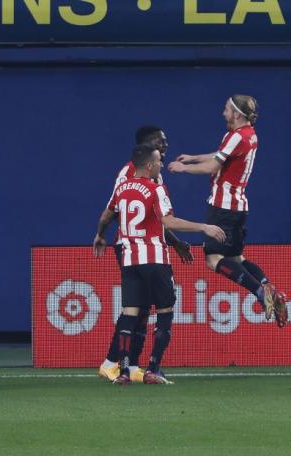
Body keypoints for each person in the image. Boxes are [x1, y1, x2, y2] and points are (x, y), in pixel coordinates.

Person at [94, 144, 225, 385]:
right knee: (164, 312)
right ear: (148, 165)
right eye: (158, 161)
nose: (161, 165)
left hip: (130, 260)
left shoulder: (121, 188)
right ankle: (153, 368)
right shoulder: (156, 189)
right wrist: (203, 227)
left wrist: (100, 235)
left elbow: (106, 215)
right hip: (155, 258)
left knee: (130, 313)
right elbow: (169, 221)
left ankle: (123, 372)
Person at [167, 94, 288, 327]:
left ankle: (261, 293)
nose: (224, 113)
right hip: (238, 207)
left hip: (223, 208)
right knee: (236, 258)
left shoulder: (236, 136)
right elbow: (221, 155)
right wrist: (193, 158)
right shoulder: (249, 135)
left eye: (227, 109)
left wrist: (184, 168)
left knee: (213, 260)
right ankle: (268, 286)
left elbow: (213, 166)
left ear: (237, 114)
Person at [99, 126, 193, 383]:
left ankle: (130, 367)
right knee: (142, 309)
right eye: (160, 142)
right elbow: (123, 212)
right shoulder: (129, 174)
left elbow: (154, 218)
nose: (165, 145)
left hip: (142, 246)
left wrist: (174, 243)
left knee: (137, 309)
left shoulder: (150, 174)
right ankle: (112, 362)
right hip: (133, 246)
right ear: (146, 145)